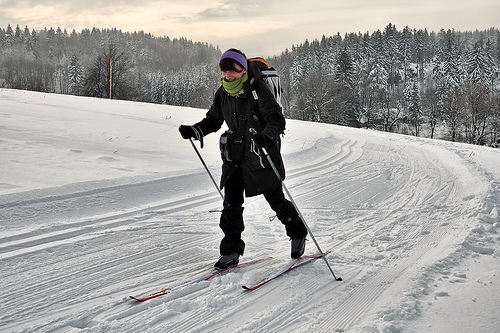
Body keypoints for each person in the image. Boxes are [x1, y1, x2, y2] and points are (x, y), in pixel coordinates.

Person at [179, 48, 308, 270]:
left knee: (276, 200)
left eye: (233, 71)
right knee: (231, 203)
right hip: (235, 156)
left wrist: (267, 136)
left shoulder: (257, 89)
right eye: (225, 71)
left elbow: (276, 119)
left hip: (261, 154)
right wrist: (196, 130)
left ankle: (297, 233)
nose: (228, 76)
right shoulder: (222, 93)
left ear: (243, 69)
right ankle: (230, 251)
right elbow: (213, 120)